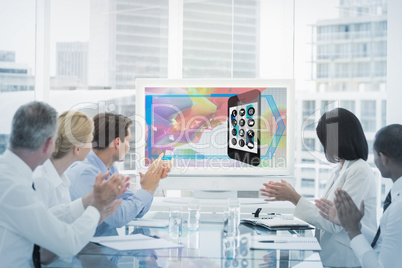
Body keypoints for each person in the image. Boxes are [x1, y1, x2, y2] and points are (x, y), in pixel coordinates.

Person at [0, 101, 129, 267]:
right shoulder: (14, 187)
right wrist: (96, 206)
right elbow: (68, 243)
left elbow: (48, 217)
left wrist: (89, 201)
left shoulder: (11, 175)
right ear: (48, 144)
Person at [259, 108, 377, 267]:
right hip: (332, 259)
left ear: (341, 139)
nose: (325, 147)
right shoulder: (340, 170)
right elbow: (325, 219)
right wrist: (289, 253)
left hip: (348, 262)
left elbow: (335, 223)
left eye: (326, 141)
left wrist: (294, 197)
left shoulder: (359, 170)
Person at [67, 112, 170, 236]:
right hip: (87, 251)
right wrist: (147, 190)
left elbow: (135, 211)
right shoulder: (85, 173)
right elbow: (119, 217)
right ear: (117, 143)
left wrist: (151, 184)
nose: (128, 146)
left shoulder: (108, 167)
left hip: (105, 248)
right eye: (127, 141)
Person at [319, 124, 402, 268]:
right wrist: (354, 225)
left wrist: (353, 230)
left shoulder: (398, 207)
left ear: (382, 158)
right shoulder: (396, 199)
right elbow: (384, 242)